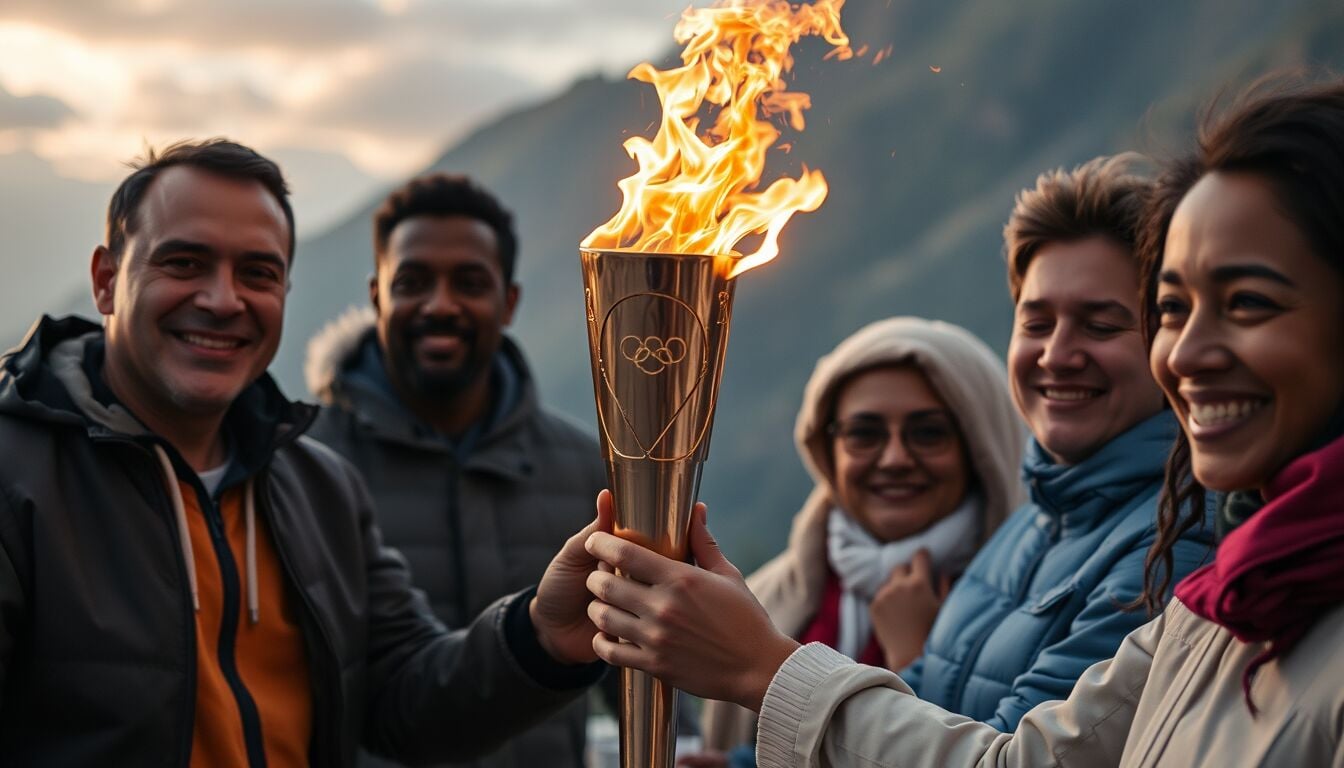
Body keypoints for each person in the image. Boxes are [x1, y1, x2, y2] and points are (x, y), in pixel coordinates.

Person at [584, 77, 1344, 766]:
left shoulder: (1177, 547)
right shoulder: (1191, 586)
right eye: (1175, 308)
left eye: (1248, 302)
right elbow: (938, 713)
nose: (1191, 352)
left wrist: (764, 667)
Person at [0, 139, 612, 766]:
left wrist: (540, 636)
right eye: (184, 263)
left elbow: (407, 701)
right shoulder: (16, 475)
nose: (222, 299)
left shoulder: (319, 489)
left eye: (258, 273)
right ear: (107, 280)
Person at [304, 174, 606, 768]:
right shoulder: (306, 467)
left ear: (509, 302)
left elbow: (636, 657)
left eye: (469, 283)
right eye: (413, 282)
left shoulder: (585, 469)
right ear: (376, 296)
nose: (440, 305)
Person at [688, 317, 1023, 767]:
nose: (895, 458)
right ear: (828, 449)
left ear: (980, 446)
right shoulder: (768, 597)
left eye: (928, 433)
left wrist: (914, 656)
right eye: (865, 434)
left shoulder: (1030, 598)